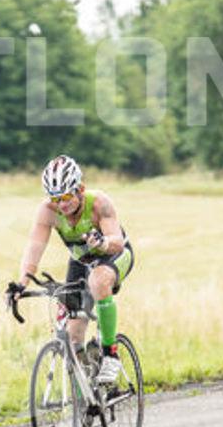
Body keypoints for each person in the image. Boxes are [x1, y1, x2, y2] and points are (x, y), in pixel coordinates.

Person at [7, 155, 134, 383]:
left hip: (113, 254)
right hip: (81, 261)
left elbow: (116, 241)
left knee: (98, 280)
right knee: (72, 334)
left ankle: (110, 354)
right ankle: (87, 391)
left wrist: (102, 243)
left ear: (80, 189)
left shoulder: (99, 203)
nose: (61, 205)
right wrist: (21, 283)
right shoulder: (48, 211)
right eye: (55, 198)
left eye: (66, 197)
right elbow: (34, 248)